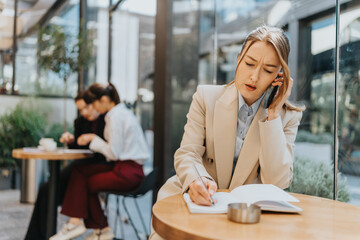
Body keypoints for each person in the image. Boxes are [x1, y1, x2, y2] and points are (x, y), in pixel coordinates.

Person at [149, 25, 305, 239]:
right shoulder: (206, 97)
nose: (254, 76)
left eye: (268, 70)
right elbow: (187, 153)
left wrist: (273, 115)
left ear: (279, 76)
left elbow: (277, 181)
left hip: (245, 215)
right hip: (194, 201)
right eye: (249, 63)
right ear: (239, 58)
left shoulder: (286, 117)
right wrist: (197, 180)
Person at [50, 83, 150, 240]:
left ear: (103, 100)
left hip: (127, 172)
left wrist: (93, 139)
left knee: (86, 181)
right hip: (130, 170)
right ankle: (92, 226)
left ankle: (94, 226)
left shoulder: (115, 116)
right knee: (80, 172)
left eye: (94, 103)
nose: (94, 108)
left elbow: (114, 152)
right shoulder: (122, 113)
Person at [25, 92, 106, 240]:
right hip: (80, 165)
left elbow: (109, 150)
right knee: (46, 189)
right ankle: (37, 236)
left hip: (95, 166)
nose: (85, 112)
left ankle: (73, 222)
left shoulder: (106, 120)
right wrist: (70, 140)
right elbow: (78, 148)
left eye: (86, 107)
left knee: (54, 188)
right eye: (80, 110)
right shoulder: (80, 122)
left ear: (94, 103)